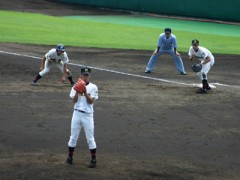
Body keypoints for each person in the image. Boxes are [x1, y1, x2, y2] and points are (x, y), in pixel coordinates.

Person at [66, 67, 98, 168]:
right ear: (81, 75)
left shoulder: (93, 87)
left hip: (88, 115)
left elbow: (91, 101)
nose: (85, 77)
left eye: (87, 75)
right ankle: (70, 158)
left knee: (90, 138)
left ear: (89, 76)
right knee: (73, 137)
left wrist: (84, 92)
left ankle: (93, 160)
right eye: (84, 75)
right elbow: (74, 101)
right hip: (76, 114)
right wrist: (76, 91)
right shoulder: (76, 85)